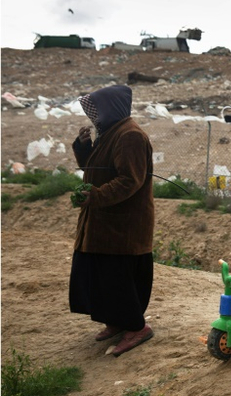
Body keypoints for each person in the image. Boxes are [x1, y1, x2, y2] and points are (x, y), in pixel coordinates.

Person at [68, 84, 155, 357]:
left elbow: (130, 180)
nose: (95, 117)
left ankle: (137, 328)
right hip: (104, 223)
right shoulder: (110, 133)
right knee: (101, 276)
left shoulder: (130, 135)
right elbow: (98, 170)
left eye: (98, 110)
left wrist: (95, 196)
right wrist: (84, 149)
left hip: (122, 226)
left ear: (111, 109)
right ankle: (117, 322)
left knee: (117, 278)